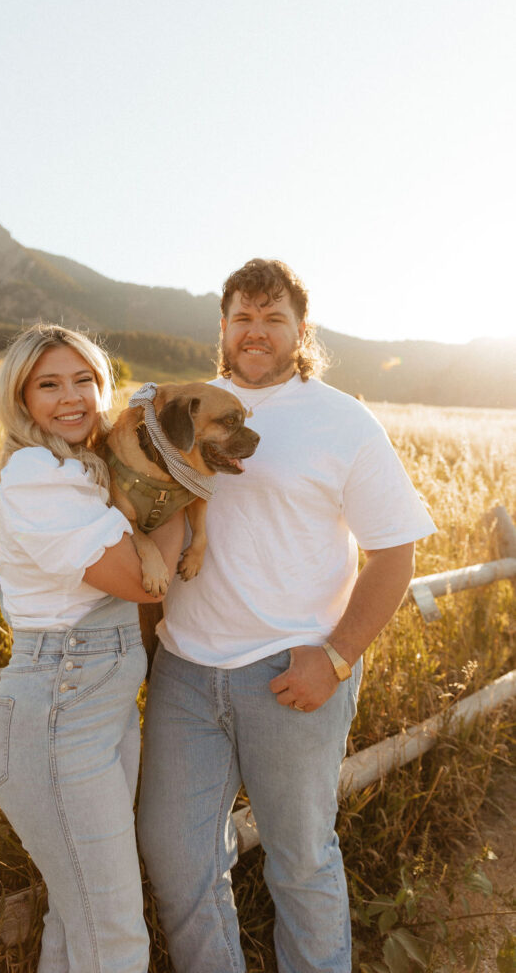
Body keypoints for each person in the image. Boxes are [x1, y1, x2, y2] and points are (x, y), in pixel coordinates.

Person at [137, 259, 436, 973]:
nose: (255, 330)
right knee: (177, 860)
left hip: (291, 673)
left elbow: (394, 555)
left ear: (301, 330)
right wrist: (149, 655)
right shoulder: (176, 410)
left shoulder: (342, 421)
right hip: (184, 669)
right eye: (242, 316)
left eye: (273, 318)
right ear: (222, 327)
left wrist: (333, 658)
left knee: (300, 860)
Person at [0, 323, 184, 973]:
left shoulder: (82, 469)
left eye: (85, 381)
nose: (71, 398)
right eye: (49, 384)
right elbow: (134, 579)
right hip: (57, 719)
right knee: (116, 939)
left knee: (79, 926)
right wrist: (185, 486)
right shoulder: (36, 474)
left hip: (99, 712)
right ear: (21, 398)